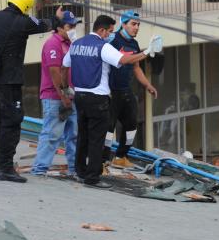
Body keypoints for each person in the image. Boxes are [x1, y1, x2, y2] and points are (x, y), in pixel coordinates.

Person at [0, 0, 64, 183]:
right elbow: (45, 25)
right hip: (8, 79)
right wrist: (56, 18)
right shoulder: (23, 22)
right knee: (11, 120)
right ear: (25, 8)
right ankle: (5, 168)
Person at [61, 15, 155, 188]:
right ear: (102, 30)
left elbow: (65, 65)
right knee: (97, 138)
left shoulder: (76, 44)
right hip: (98, 98)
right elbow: (124, 60)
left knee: (82, 136)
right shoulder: (102, 46)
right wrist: (147, 52)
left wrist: (65, 87)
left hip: (80, 97)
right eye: (110, 32)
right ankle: (92, 178)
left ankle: (80, 171)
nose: (111, 36)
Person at [31, 11, 81, 176]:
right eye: (70, 26)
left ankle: (74, 169)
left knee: (73, 135)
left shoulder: (70, 43)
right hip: (55, 97)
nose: (73, 29)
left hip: (70, 95)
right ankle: (40, 169)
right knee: (52, 135)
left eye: (75, 25)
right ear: (60, 28)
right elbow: (54, 71)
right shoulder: (53, 44)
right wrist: (63, 96)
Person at [105, 11, 158, 169]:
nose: (137, 28)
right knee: (108, 128)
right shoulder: (112, 39)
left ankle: (121, 156)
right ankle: (102, 161)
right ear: (123, 23)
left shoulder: (134, 44)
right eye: (133, 24)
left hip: (125, 89)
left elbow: (136, 68)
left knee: (132, 124)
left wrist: (148, 85)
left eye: (138, 25)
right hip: (110, 90)